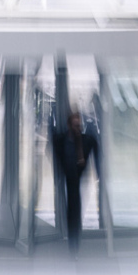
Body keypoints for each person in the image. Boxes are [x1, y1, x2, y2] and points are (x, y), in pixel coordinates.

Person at [55, 109, 92, 254]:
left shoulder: (84, 141)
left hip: (78, 180)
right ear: (70, 126)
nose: (79, 129)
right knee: (71, 211)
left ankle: (75, 242)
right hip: (66, 179)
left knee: (76, 212)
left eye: (80, 126)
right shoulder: (61, 140)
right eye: (76, 126)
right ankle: (72, 242)